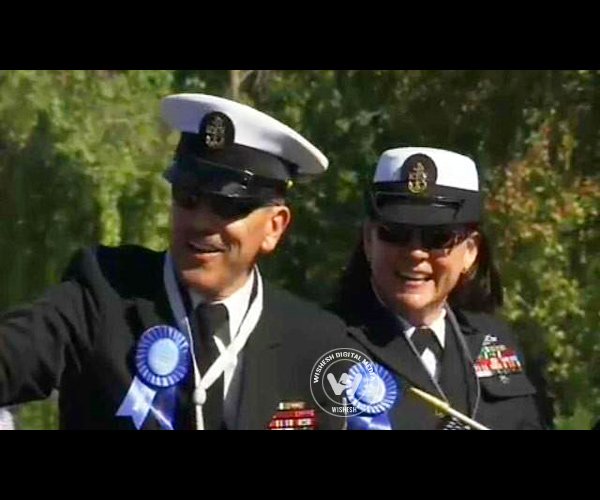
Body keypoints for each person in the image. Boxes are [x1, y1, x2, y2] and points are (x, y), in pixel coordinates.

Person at [0, 93, 351, 430]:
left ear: (274, 227)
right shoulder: (103, 290)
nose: (200, 221)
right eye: (187, 197)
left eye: (227, 206)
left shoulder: (315, 342)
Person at [330, 147, 548, 430]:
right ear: (369, 240)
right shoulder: (323, 342)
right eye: (395, 233)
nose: (415, 253)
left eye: (438, 238)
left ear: (470, 251)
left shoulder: (495, 342)